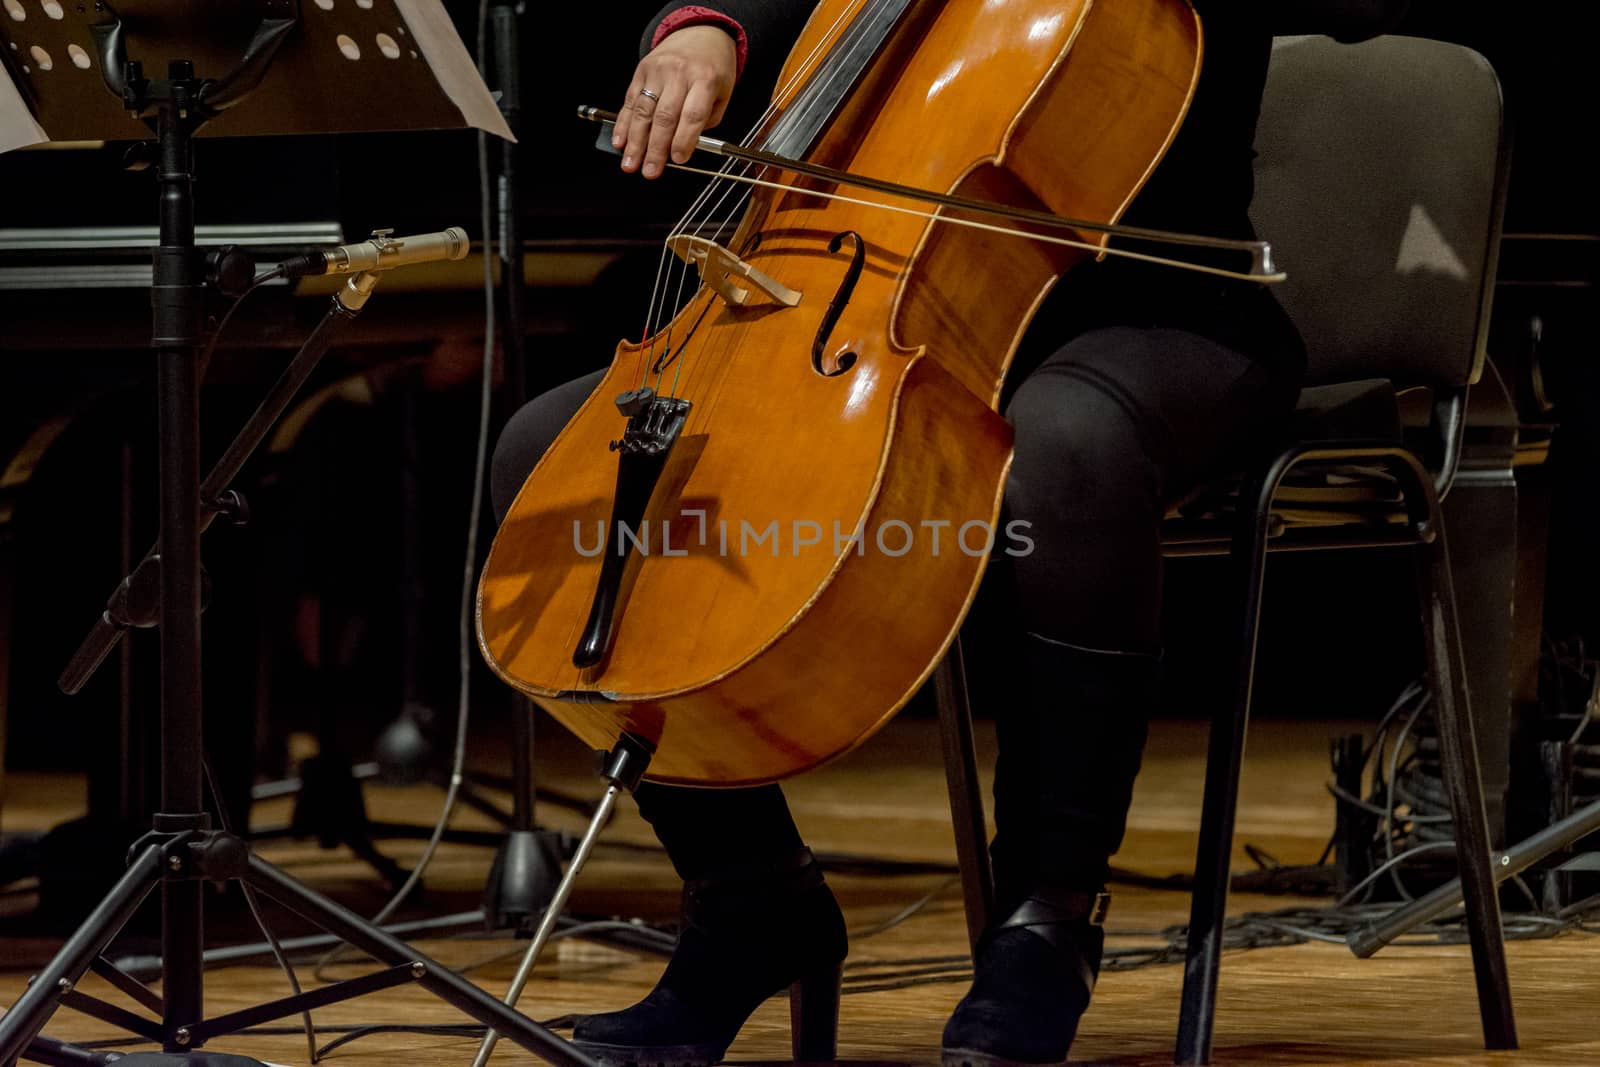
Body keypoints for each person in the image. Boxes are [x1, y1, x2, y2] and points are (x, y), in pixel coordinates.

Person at [490, 2, 1411, 1063]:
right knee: (548, 463)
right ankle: (749, 901)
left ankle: (1047, 916)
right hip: (868, 293)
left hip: (1150, 309)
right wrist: (708, 28)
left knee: (1059, 449)